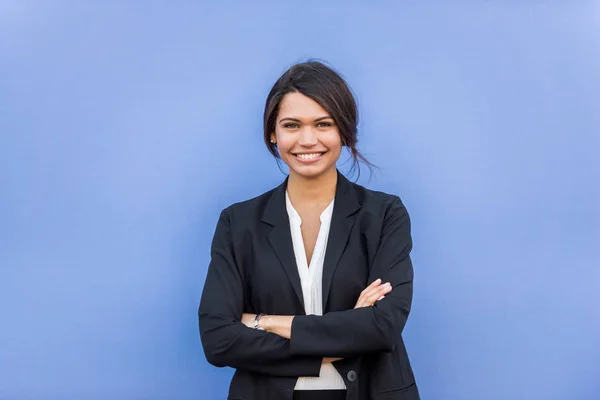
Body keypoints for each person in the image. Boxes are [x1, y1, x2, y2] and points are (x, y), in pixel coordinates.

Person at [198, 61, 419, 400]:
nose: (307, 139)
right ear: (274, 132)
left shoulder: (385, 215)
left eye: (323, 124)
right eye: (291, 125)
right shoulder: (238, 222)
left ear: (343, 130)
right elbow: (218, 339)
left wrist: (265, 321)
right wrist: (346, 332)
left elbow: (382, 327)